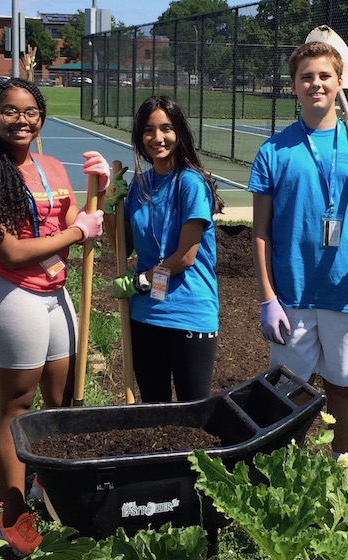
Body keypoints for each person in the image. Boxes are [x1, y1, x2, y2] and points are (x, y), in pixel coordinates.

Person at [0, 78, 107, 555]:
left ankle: (48, 484)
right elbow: (13, 249)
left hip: (57, 291)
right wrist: (77, 233)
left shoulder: (49, 165)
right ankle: (12, 510)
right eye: (9, 111)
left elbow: (72, 226)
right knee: (18, 404)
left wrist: (97, 193)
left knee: (61, 399)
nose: (21, 120)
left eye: (30, 111)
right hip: (13, 294)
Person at [248, 42, 348, 456]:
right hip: (292, 293)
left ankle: (343, 474)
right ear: (294, 86)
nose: (316, 84)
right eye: (306, 77)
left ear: (340, 84)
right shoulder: (274, 152)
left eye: (324, 76)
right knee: (289, 393)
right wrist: (268, 297)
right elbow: (260, 231)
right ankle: (288, 475)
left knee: (343, 388)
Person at [106, 95, 222, 403]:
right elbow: (121, 246)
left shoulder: (191, 183)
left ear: (180, 133)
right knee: (153, 409)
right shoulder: (141, 186)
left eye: (166, 128)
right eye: (148, 130)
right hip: (146, 315)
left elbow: (186, 257)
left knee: (191, 411)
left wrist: (139, 282)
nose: (157, 137)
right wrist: (109, 206)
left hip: (188, 312)